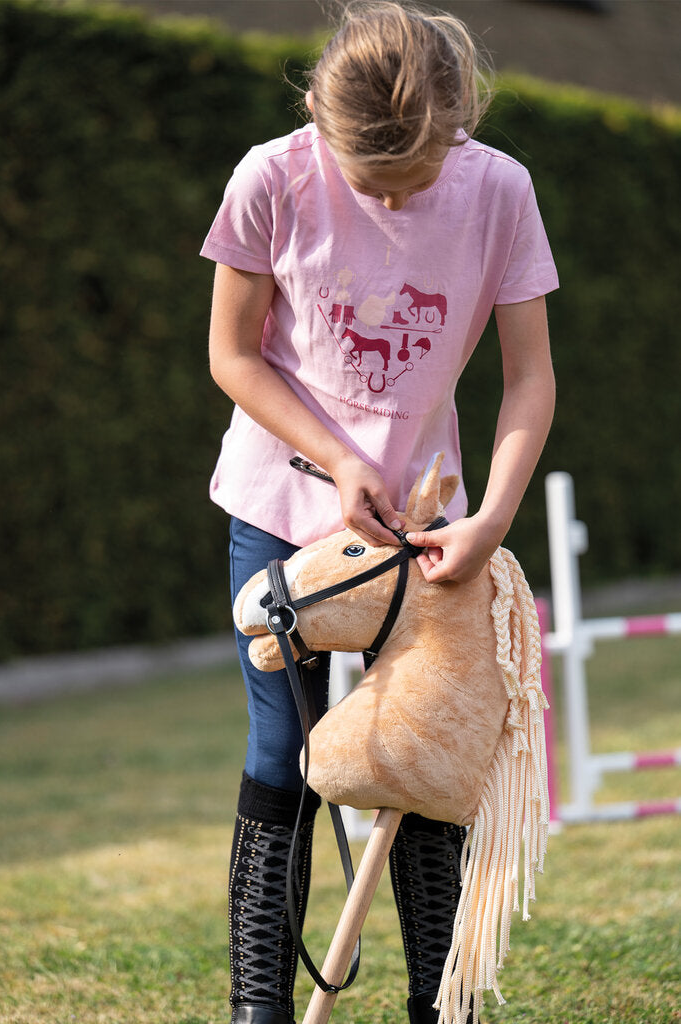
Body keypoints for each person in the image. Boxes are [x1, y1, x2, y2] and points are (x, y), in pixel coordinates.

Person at [201, 3, 558, 1022]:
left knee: (424, 751)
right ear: (320, 123)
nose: (393, 200)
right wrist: (338, 457)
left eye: (414, 178)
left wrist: (491, 518)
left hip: (429, 531)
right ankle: (260, 1004)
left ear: (456, 123)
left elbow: (529, 378)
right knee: (284, 749)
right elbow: (231, 354)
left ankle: (441, 1004)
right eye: (370, 183)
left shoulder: (500, 190)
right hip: (281, 506)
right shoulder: (270, 178)